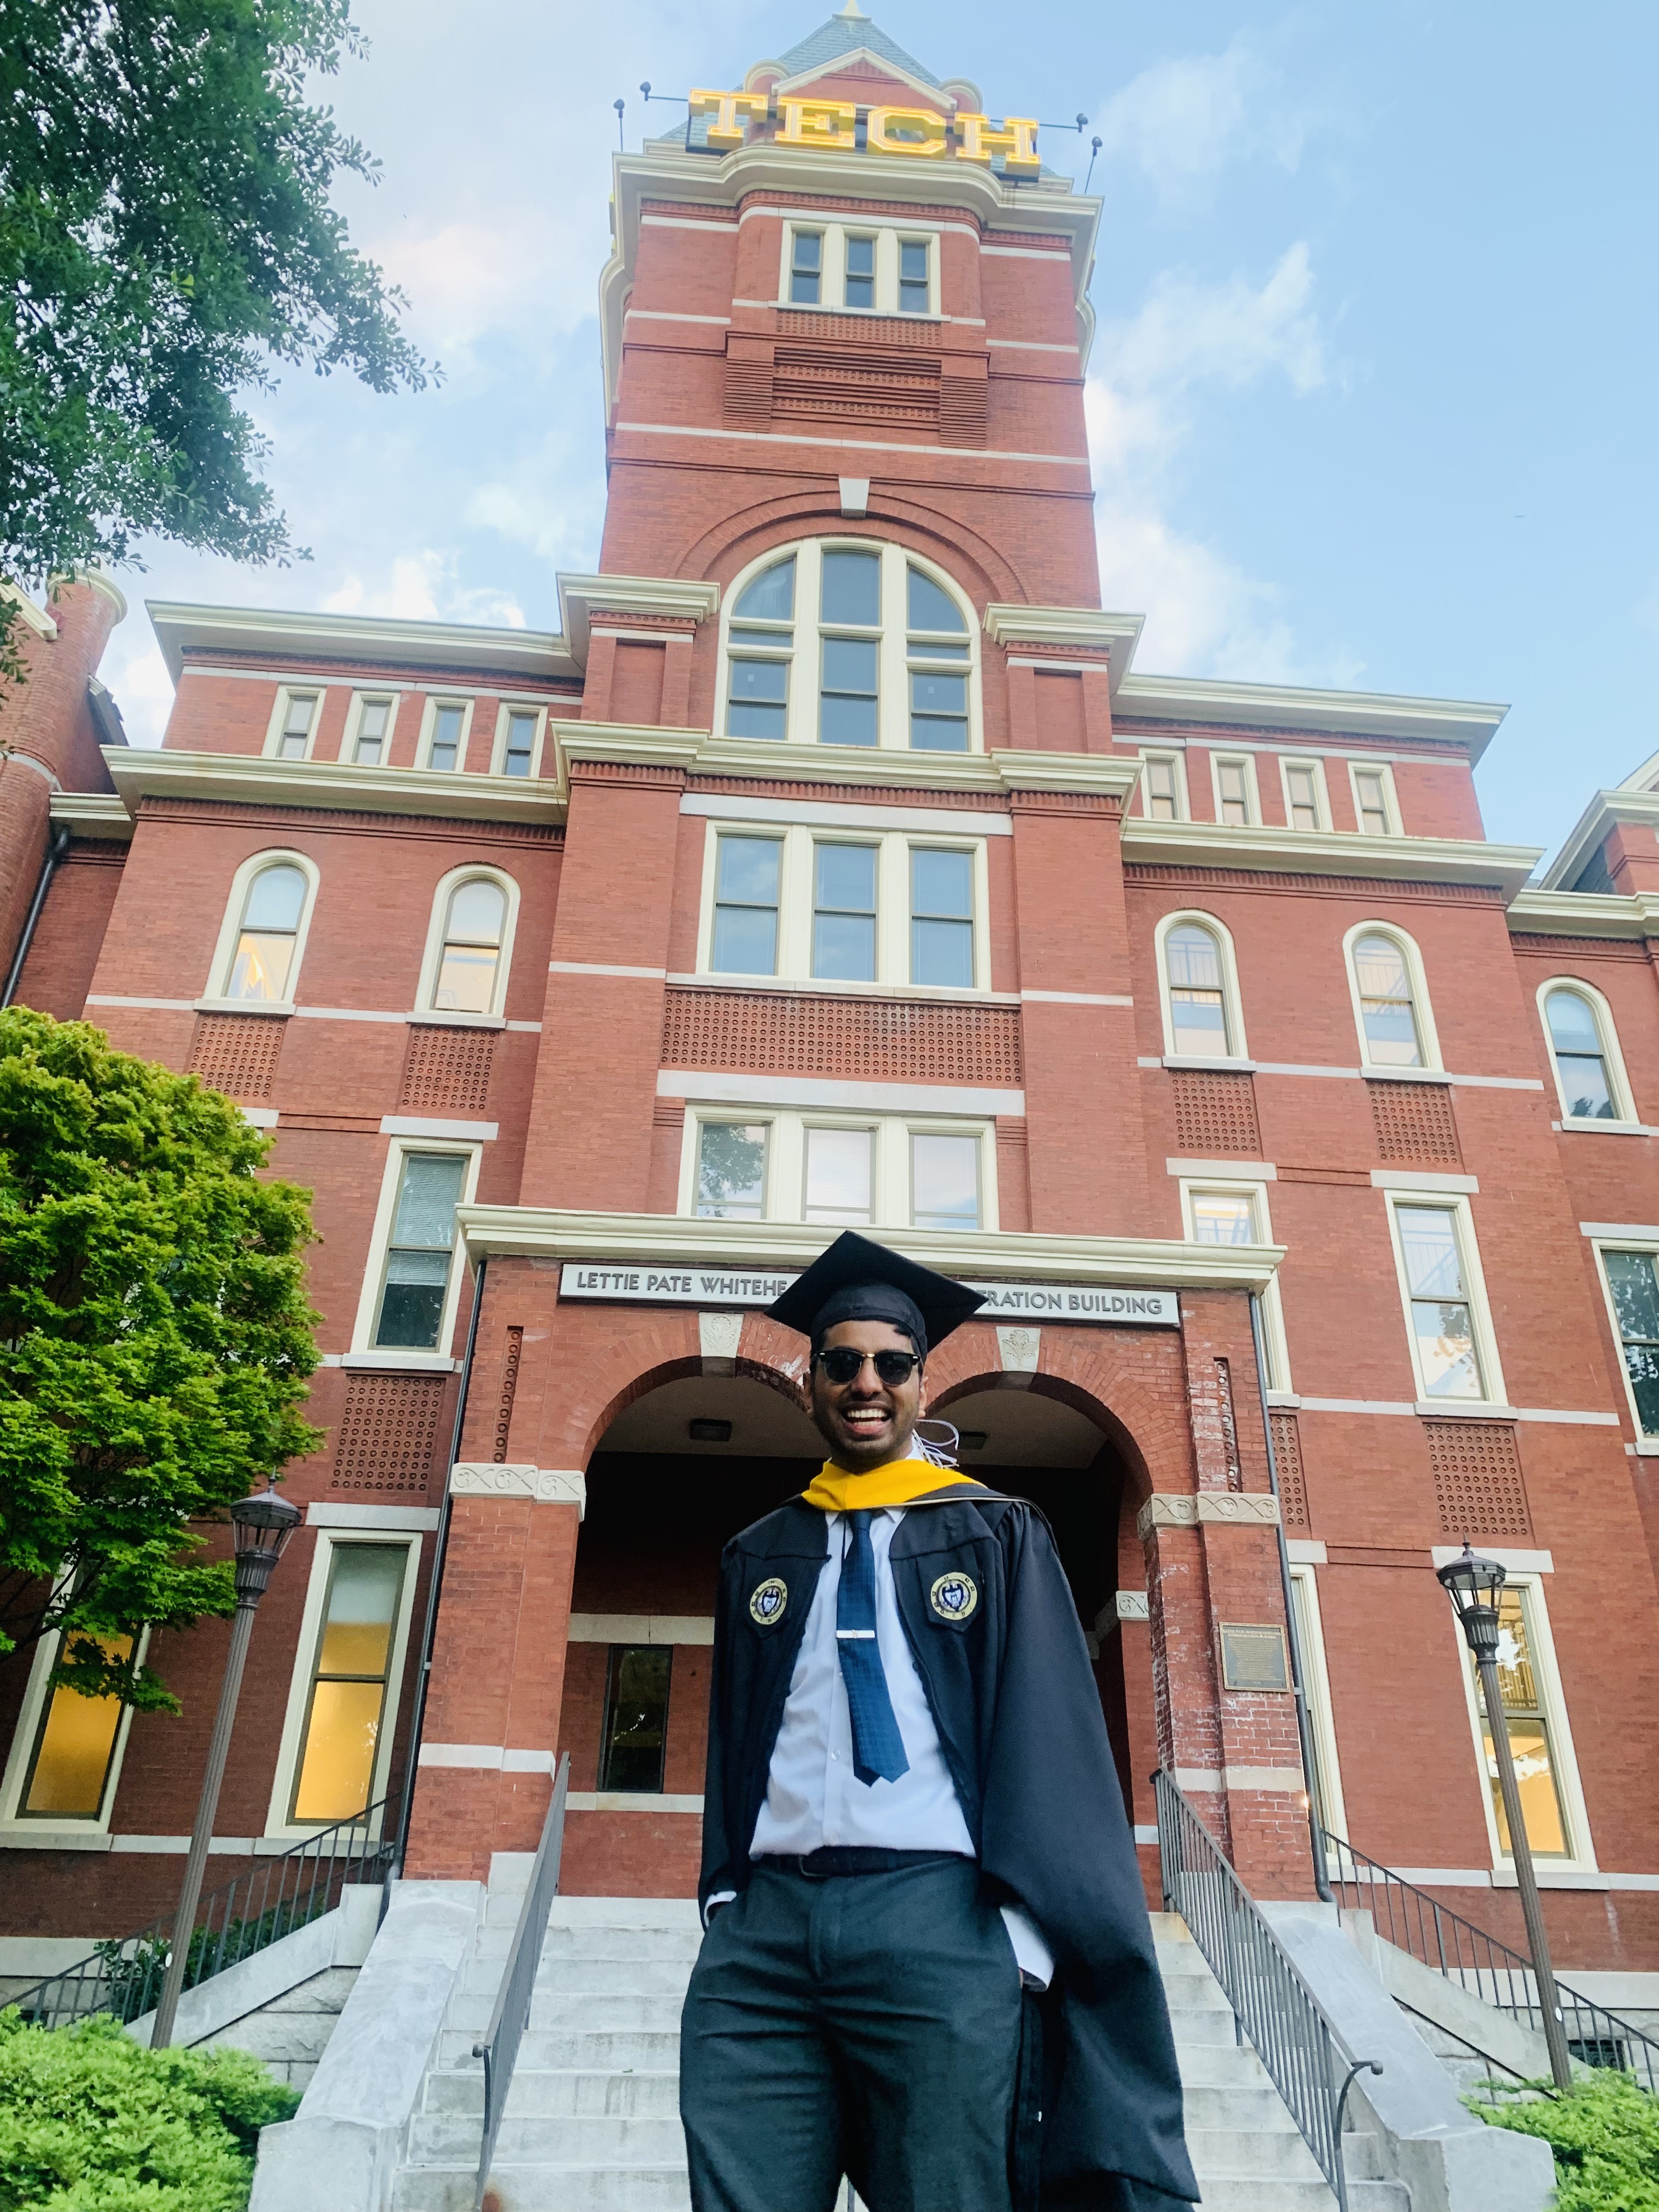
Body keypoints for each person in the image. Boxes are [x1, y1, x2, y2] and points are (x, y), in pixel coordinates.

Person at [680, 1231, 1198, 2212]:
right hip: (765, 1937)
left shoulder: (993, 1532)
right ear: (810, 1382)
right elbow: (735, 1742)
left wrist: (1019, 1943)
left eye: (891, 1364)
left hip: (936, 1920)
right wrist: (723, 1902)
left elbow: (1049, 1744)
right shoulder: (762, 1551)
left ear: (923, 1381)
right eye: (841, 1363)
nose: (865, 1383)